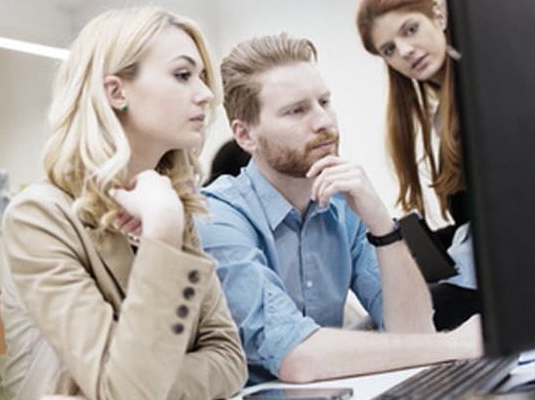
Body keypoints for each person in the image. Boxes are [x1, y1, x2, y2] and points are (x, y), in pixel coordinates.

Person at [196, 33, 481, 385]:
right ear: (245, 136)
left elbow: (414, 332)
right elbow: (296, 358)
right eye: (296, 111)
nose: (323, 121)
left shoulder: (345, 204)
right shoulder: (216, 217)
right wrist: (454, 344)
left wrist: (381, 224)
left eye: (324, 102)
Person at [0, 7, 247, 399]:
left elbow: (230, 359)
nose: (206, 94)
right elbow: (127, 392)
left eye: (201, 77)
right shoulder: (40, 218)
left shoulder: (168, 204)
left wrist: (145, 381)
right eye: (183, 75)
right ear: (116, 92)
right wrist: (162, 235)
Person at [356, 0, 479, 330]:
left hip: (503, 281)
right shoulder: (444, 114)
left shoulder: (483, 93)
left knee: (379, 329)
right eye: (389, 49)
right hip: (477, 272)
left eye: (411, 30)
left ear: (438, 14)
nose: (405, 52)